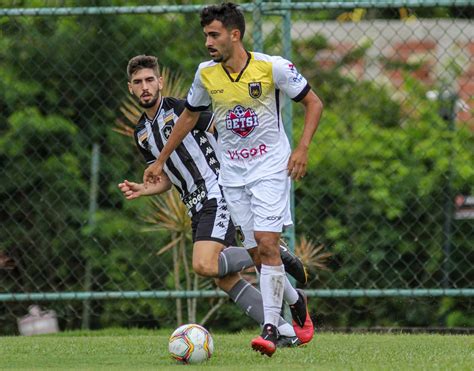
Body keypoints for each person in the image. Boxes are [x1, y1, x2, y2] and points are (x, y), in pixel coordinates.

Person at [142, 3, 324, 357]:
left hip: (271, 168)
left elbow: (314, 103)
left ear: (234, 34)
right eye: (206, 35)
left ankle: (270, 328)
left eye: (214, 34)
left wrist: (301, 149)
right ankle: (296, 301)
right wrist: (161, 160)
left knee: (268, 244)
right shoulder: (205, 74)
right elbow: (189, 117)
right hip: (233, 174)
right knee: (258, 252)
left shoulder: (272, 67)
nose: (208, 41)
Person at [120, 54, 308, 348]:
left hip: (216, 192)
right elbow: (168, 175)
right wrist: (145, 189)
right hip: (194, 205)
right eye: (137, 82)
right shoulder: (142, 133)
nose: (144, 87)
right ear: (130, 88)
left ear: (160, 82)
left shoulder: (181, 110)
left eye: (149, 80)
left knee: (205, 264)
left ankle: (270, 250)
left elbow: (221, 127)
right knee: (223, 278)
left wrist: (233, 165)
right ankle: (285, 331)